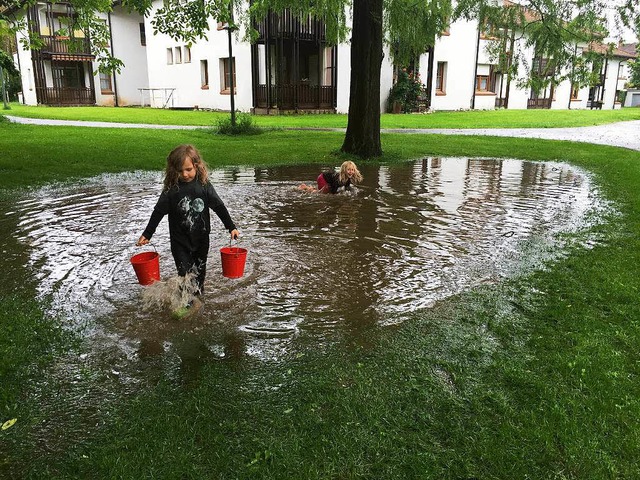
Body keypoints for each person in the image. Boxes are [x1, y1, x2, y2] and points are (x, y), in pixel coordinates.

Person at [136, 144, 239, 311]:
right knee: (184, 273)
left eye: (189, 169)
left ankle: (199, 296)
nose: (184, 174)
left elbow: (219, 206)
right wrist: (148, 233)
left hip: (201, 240)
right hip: (180, 241)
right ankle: (185, 304)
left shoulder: (204, 185)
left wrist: (231, 227)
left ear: (197, 166)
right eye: (179, 170)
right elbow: (158, 211)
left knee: (199, 271)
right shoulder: (172, 189)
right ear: (173, 170)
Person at [298, 160, 363, 194]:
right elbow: (333, 191)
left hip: (327, 179)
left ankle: (307, 187)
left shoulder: (348, 178)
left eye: (352, 170)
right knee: (321, 194)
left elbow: (347, 188)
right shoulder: (338, 178)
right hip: (322, 178)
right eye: (348, 170)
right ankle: (305, 188)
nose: (351, 172)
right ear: (344, 170)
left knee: (324, 190)